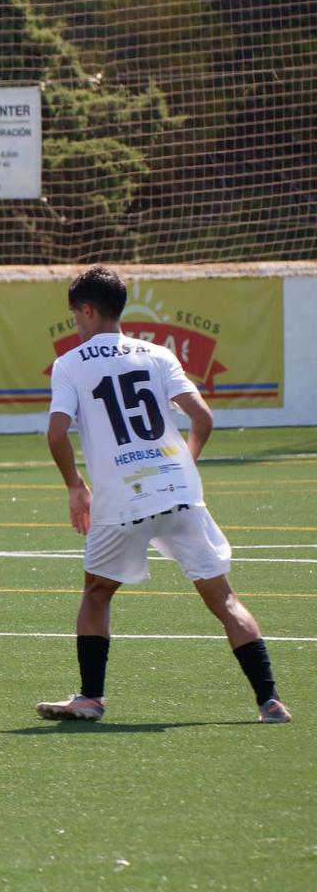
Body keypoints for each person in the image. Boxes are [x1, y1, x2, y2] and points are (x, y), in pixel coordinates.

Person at [39, 267, 291, 724]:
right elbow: (203, 418)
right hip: (179, 492)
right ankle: (270, 700)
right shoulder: (158, 354)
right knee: (225, 599)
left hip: (123, 498)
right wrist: (183, 464)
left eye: (76, 314)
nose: (76, 322)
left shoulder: (70, 363)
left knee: (97, 592)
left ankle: (91, 698)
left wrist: (76, 487)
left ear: (88, 310)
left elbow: (56, 433)